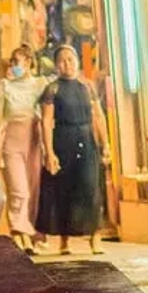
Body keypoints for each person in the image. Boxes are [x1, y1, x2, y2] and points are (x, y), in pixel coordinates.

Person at [35, 45, 111, 256]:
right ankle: (64, 241)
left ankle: (95, 238)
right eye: (62, 60)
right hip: (63, 140)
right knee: (64, 189)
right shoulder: (52, 89)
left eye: (70, 59)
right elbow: (46, 121)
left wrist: (106, 143)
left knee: (91, 188)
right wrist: (49, 152)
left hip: (86, 140)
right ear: (56, 65)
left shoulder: (88, 86)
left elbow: (98, 116)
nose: (66, 64)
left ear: (77, 61)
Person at [0, 45, 47, 253]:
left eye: (17, 61)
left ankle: (30, 233)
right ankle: (18, 231)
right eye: (11, 61)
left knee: (34, 190)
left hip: (34, 141)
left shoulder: (40, 84)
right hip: (12, 142)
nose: (13, 65)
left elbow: (47, 113)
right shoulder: (5, 86)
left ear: (29, 62)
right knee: (18, 190)